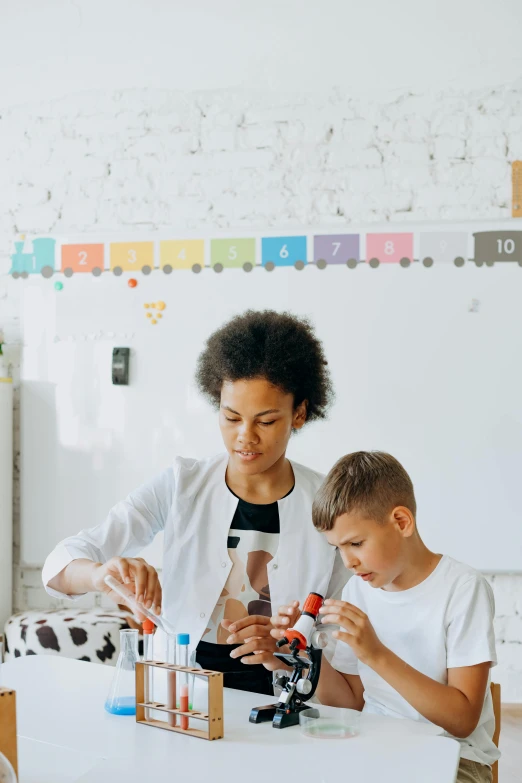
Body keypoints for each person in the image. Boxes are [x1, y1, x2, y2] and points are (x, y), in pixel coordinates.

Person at [43, 310, 347, 694]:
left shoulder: (327, 503)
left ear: (299, 413)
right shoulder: (181, 484)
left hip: (287, 697)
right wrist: (100, 575)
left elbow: (343, 623)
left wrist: (294, 641)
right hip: (179, 692)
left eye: (266, 421)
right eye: (231, 417)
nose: (244, 436)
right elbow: (59, 565)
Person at [273, 451, 499, 783]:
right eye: (338, 548)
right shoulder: (357, 590)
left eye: (356, 543)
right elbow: (350, 702)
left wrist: (375, 654)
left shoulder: (463, 590)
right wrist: (304, 655)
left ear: (401, 522)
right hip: (374, 745)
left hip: (454, 757)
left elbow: (463, 719)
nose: (347, 561)